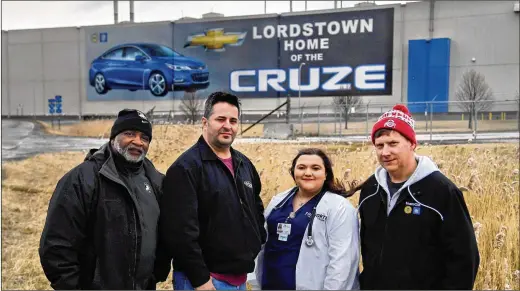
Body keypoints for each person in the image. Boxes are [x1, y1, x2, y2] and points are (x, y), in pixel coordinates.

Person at [353, 104, 480, 289]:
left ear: (412, 144)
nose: (385, 152)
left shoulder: (441, 190)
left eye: (393, 144)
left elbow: (464, 258)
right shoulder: (370, 189)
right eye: (379, 146)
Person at [39, 109, 164, 290]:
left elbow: (163, 235)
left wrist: (156, 274)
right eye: (129, 134)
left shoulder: (156, 182)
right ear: (113, 137)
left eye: (144, 137)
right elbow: (56, 245)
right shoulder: (82, 179)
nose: (138, 142)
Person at [156, 92, 266, 290]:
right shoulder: (186, 168)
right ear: (205, 122)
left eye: (233, 120)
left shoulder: (244, 164)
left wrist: (256, 241)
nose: (228, 126)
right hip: (204, 282)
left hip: (238, 279)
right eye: (220, 119)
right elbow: (180, 233)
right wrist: (201, 280)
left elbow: (255, 208)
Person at [250, 148, 360, 290]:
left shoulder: (339, 208)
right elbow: (262, 244)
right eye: (301, 167)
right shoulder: (279, 201)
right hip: (270, 284)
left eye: (316, 168)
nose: (308, 173)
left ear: (326, 173)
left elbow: (343, 261)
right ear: (293, 172)